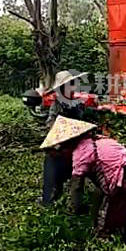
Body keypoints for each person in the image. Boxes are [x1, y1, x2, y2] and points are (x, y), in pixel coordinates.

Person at [40, 116, 126, 251]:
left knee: (107, 227)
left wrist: (73, 214)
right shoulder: (102, 140)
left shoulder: (81, 152)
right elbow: (100, 190)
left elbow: (76, 187)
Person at [40, 70, 87, 205]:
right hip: (60, 142)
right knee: (52, 169)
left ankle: (75, 202)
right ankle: (49, 199)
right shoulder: (58, 103)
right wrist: (58, 131)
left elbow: (83, 119)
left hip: (75, 143)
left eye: (72, 85)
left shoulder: (78, 103)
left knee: (77, 173)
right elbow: (50, 121)